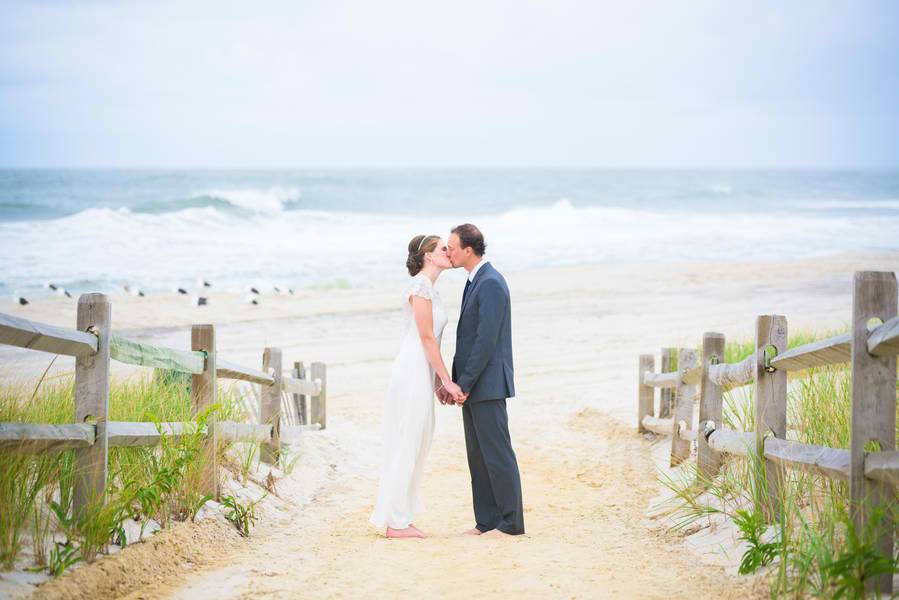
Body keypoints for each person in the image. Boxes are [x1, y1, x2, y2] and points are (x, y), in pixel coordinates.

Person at [369, 234, 464, 539]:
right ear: (427, 256)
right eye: (442, 249)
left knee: (419, 440)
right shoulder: (420, 286)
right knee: (407, 440)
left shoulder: (432, 290)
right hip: (411, 370)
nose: (448, 252)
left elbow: (434, 341)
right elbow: (425, 338)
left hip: (422, 371)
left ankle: (401, 516)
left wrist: (437, 380)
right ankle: (395, 523)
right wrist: (448, 381)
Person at [442, 223, 525, 537]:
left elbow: (485, 341)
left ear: (468, 249)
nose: (447, 252)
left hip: (487, 384)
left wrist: (463, 383)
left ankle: (511, 523)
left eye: (451, 247)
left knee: (498, 454)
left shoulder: (490, 282)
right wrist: (458, 382)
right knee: (478, 457)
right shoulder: (473, 280)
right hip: (474, 384)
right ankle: (487, 521)